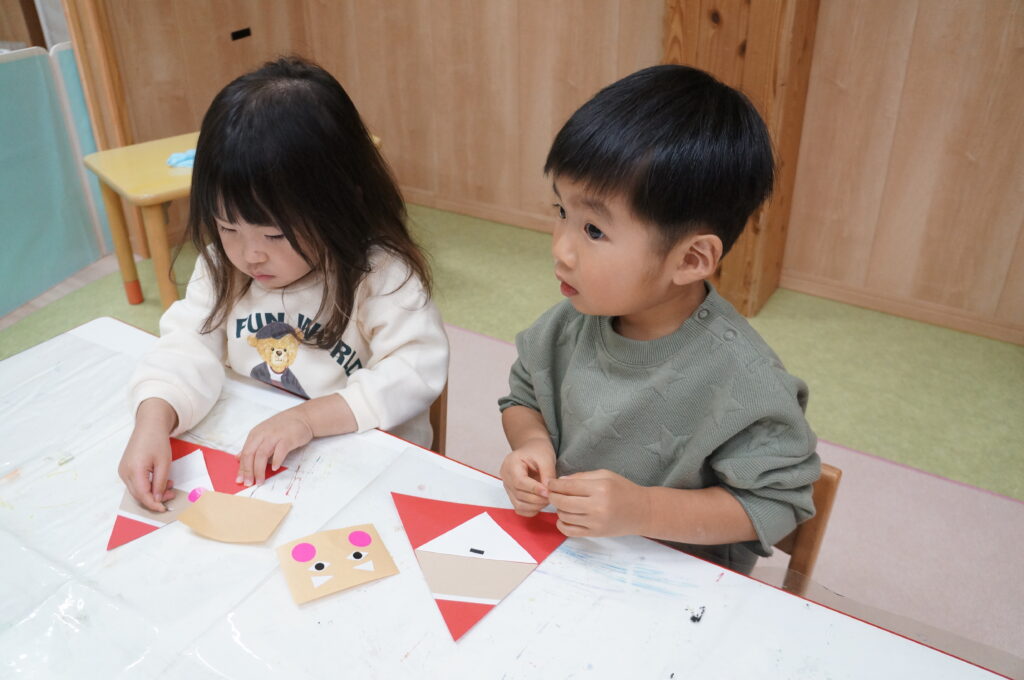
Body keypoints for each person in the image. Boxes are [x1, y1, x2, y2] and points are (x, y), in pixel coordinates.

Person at [498, 65, 820, 574]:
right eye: (560, 211)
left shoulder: (744, 378)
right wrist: (532, 445)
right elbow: (523, 397)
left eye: (593, 230)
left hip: (676, 585)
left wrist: (643, 509)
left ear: (690, 259)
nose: (560, 249)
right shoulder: (570, 321)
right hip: (569, 557)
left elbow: (776, 504)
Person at [119, 56, 449, 512]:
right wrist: (152, 422)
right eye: (227, 227)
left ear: (340, 203)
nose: (249, 254)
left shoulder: (383, 277)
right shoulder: (223, 266)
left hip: (364, 470)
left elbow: (414, 373)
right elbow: (186, 346)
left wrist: (308, 419)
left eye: (274, 235)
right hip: (265, 467)